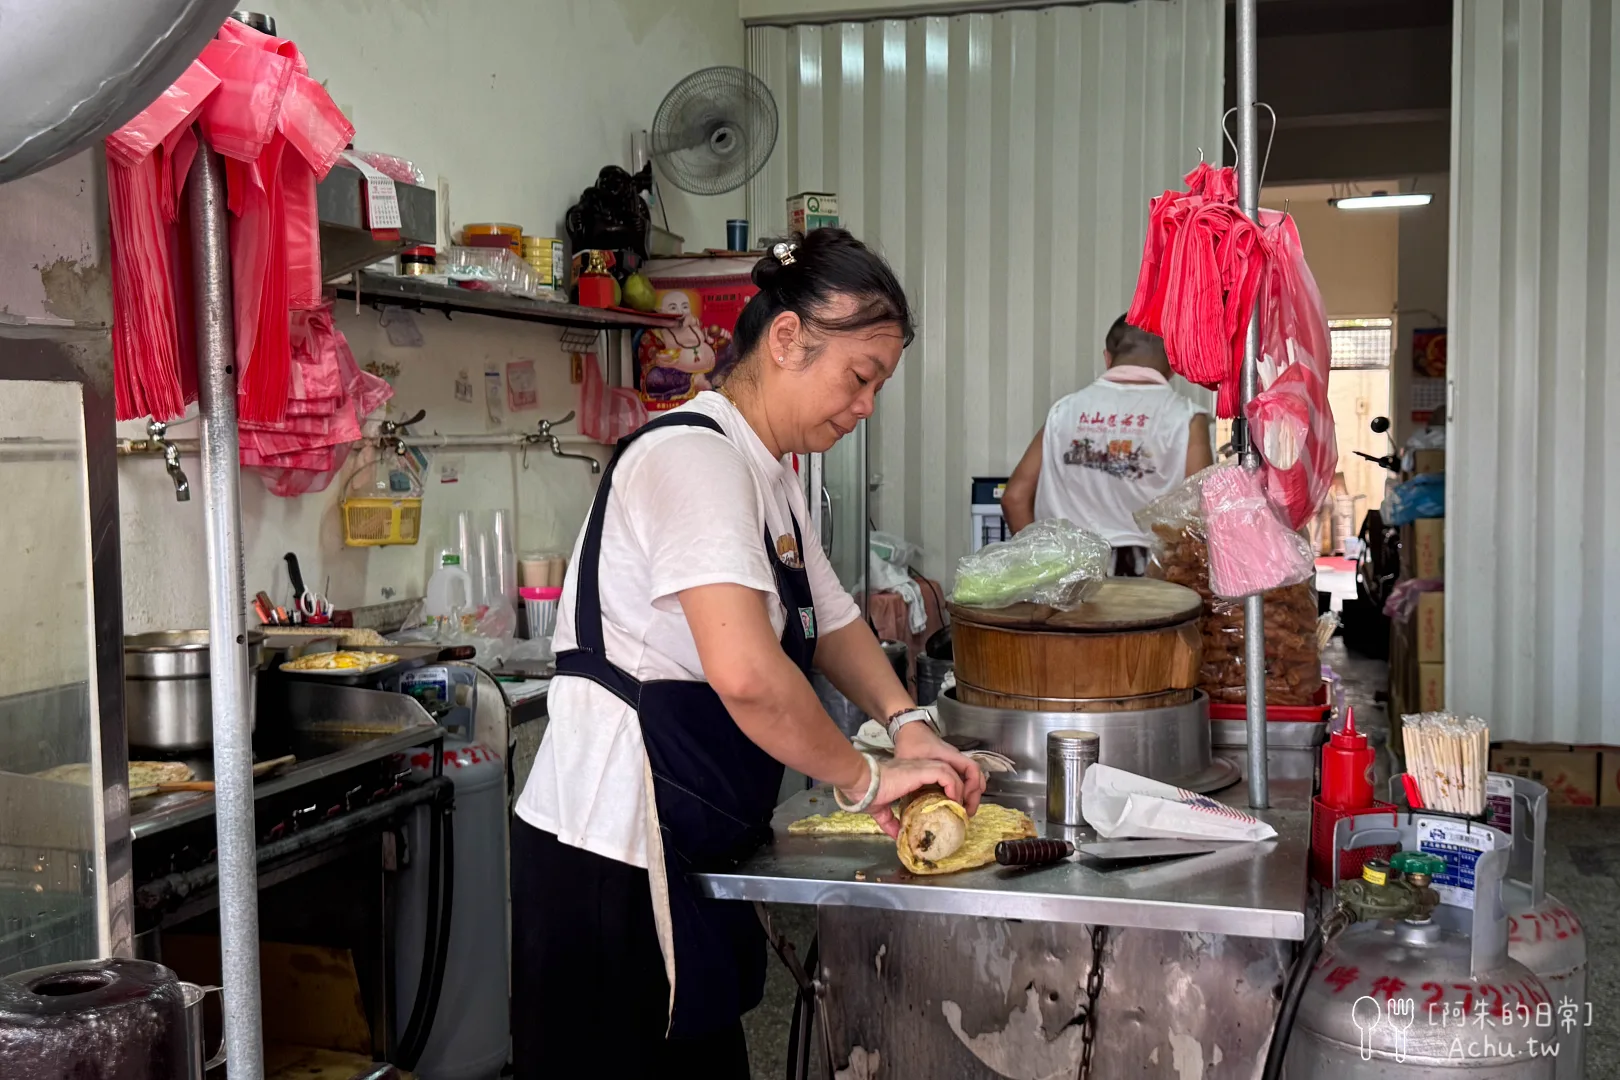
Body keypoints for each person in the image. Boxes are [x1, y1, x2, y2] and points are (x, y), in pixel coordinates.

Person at [511, 229, 985, 1077]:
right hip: (610, 863)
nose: (866, 404)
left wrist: (909, 723)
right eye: (861, 377)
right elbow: (747, 673)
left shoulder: (770, 474)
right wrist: (864, 778)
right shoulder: (694, 458)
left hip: (683, 845)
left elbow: (832, 618)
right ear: (788, 339)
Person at [1001, 314, 1213, 575]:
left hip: (1066, 577)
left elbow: (1014, 498)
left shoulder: (1063, 411)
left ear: (1108, 358)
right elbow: (1199, 513)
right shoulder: (1186, 419)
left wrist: (1042, 571)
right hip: (1149, 581)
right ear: (1173, 365)